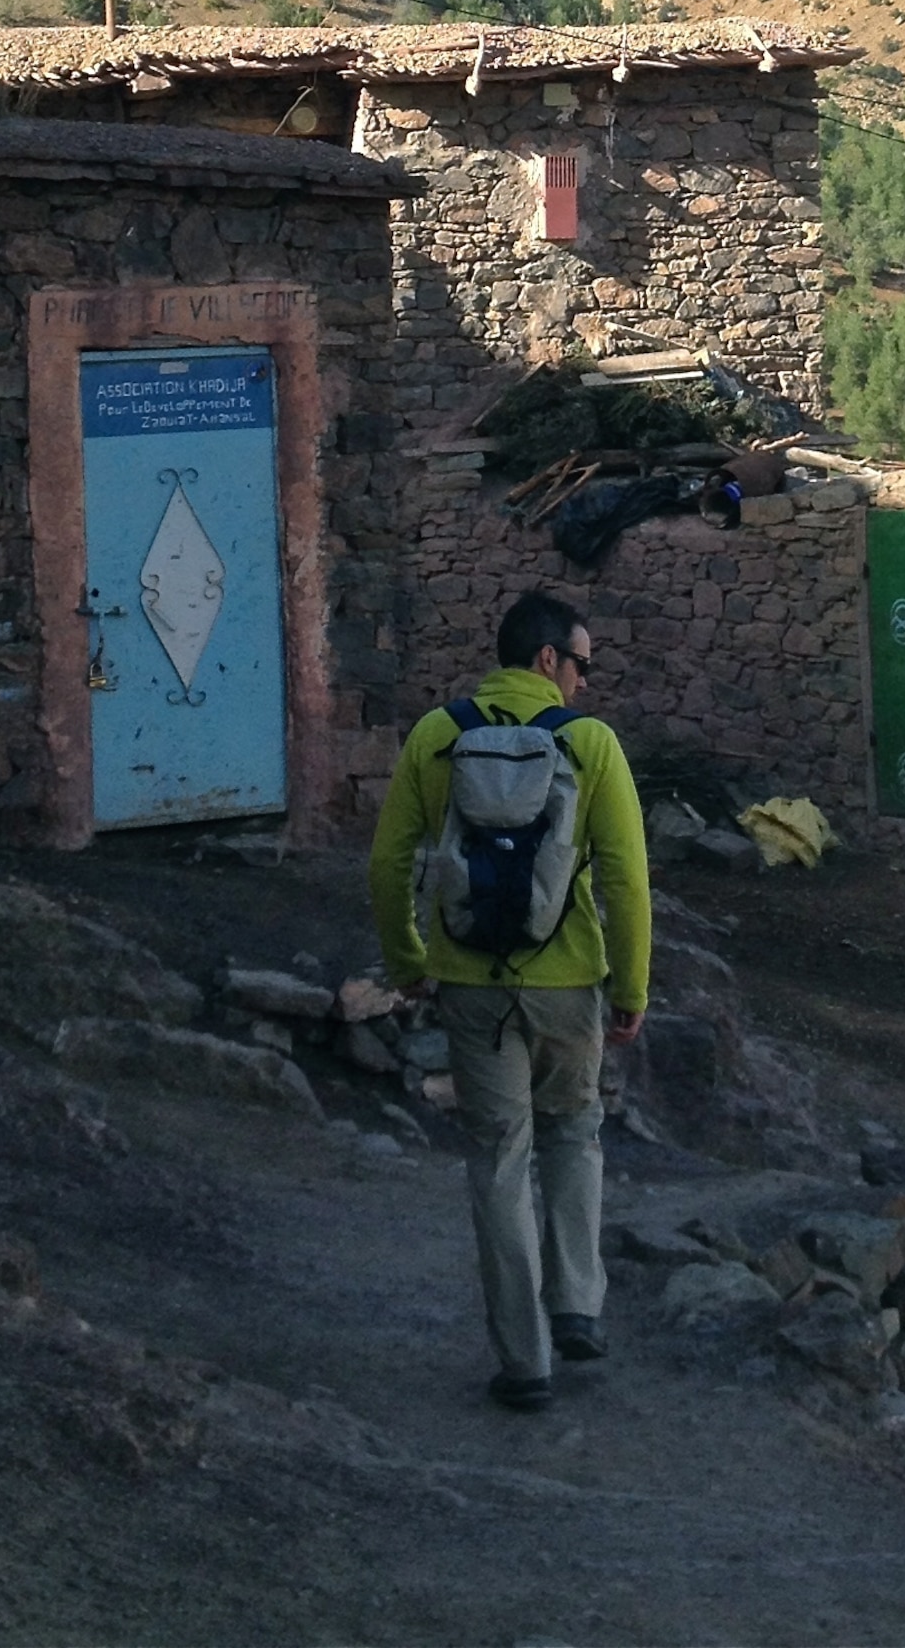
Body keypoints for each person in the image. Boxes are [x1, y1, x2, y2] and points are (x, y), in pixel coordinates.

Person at [369, 590, 650, 1410]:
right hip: (567, 986)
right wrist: (630, 986)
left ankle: (525, 1364)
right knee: (573, 1132)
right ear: (546, 659)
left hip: (471, 988)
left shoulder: (436, 735)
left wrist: (407, 961)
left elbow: (388, 864)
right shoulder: (589, 744)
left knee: (498, 1160)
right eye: (582, 665)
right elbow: (627, 880)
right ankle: (577, 1305)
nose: (585, 683)